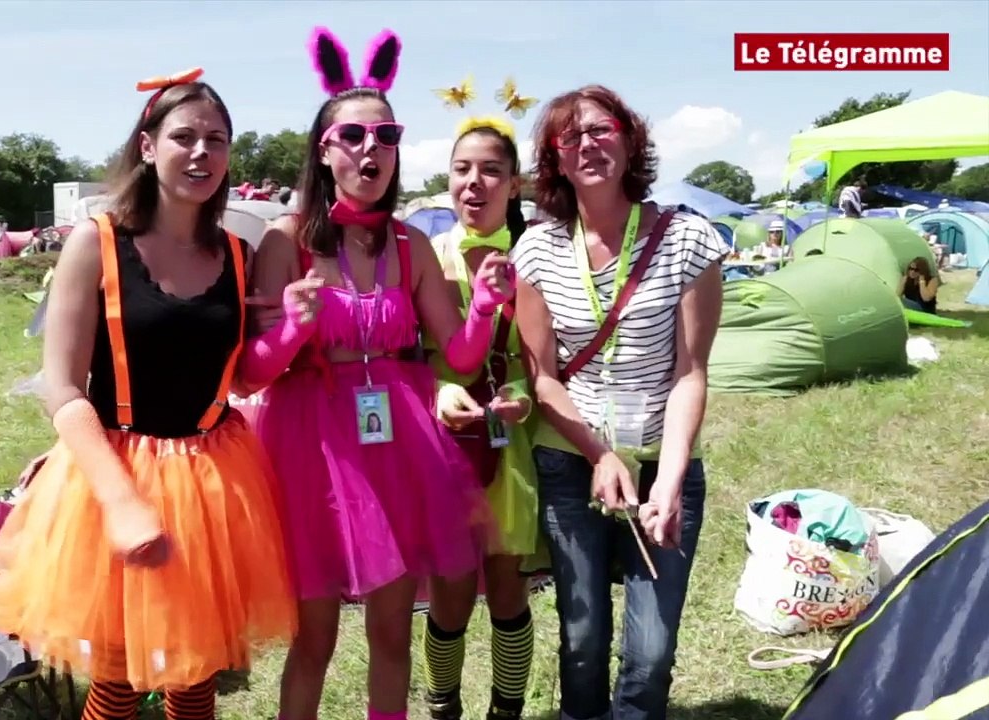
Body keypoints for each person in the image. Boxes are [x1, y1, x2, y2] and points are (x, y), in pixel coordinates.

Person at [0, 68, 299, 720]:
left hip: (214, 477)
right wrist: (122, 504)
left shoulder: (238, 255)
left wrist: (295, 331)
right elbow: (63, 387)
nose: (202, 152)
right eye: (184, 136)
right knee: (119, 676)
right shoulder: (94, 247)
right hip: (113, 478)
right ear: (148, 146)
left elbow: (240, 380)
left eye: (217, 138)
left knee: (196, 670)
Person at [240, 27, 514, 720]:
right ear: (324, 149)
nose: (371, 149)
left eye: (385, 135)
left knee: (393, 632)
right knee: (314, 640)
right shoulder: (287, 239)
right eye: (353, 136)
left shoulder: (408, 242)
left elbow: (459, 359)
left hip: (399, 448)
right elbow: (252, 372)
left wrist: (482, 308)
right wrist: (297, 329)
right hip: (312, 451)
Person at [510, 85, 727, 720]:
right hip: (572, 463)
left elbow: (692, 372)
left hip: (663, 466)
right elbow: (543, 376)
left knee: (652, 650)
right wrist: (599, 454)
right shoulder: (538, 249)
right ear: (555, 157)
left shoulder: (688, 238)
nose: (588, 145)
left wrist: (672, 478)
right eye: (570, 137)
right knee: (581, 641)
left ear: (630, 139)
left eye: (602, 129)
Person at [422, 105, 546, 720]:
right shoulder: (429, 254)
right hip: (440, 447)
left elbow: (548, 358)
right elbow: (408, 355)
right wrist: (438, 389)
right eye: (462, 169)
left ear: (514, 185)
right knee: (447, 596)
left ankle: (507, 709)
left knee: (506, 589)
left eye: (492, 171)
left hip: (512, 446)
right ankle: (443, 705)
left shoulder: (536, 259)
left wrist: (524, 397)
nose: (475, 183)